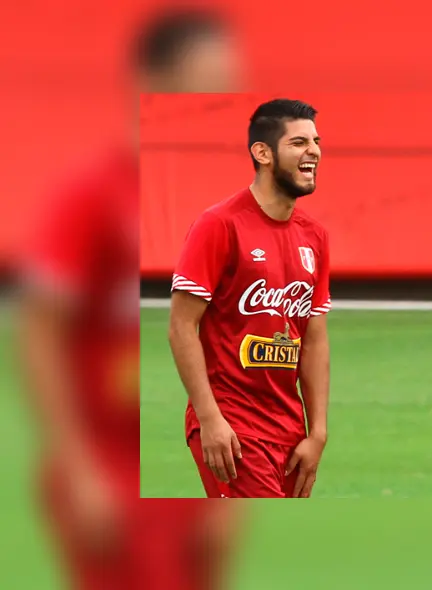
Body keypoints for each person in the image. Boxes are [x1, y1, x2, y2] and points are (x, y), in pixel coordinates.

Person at [17, 8, 243, 589]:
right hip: (112, 463)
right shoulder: (92, 195)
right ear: (153, 81)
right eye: (209, 77)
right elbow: (39, 331)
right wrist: (77, 466)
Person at [169, 98, 332, 499]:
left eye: (315, 141)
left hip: (290, 431)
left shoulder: (315, 235)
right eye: (298, 142)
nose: (313, 151)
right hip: (234, 426)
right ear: (262, 153)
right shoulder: (219, 225)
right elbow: (180, 326)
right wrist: (209, 419)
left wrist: (318, 432)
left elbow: (313, 339)